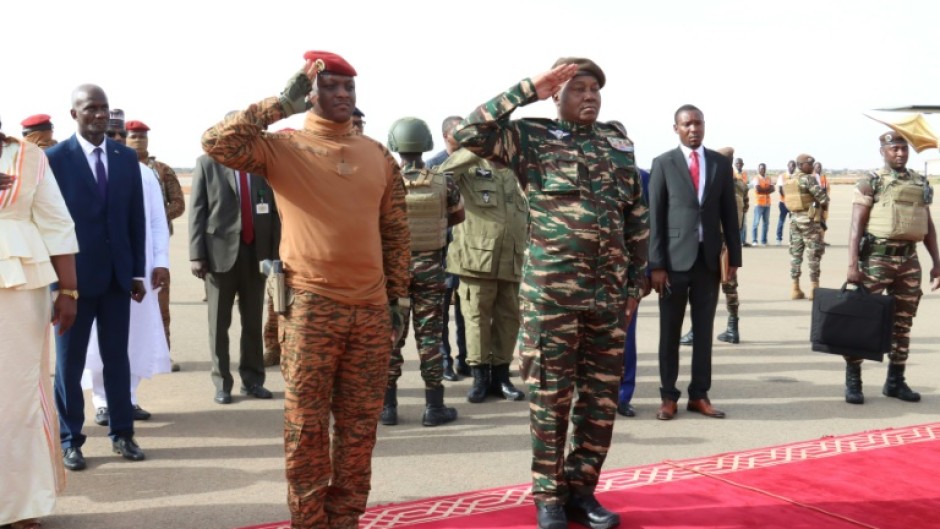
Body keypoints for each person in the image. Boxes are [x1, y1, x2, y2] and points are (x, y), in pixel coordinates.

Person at [201, 50, 411, 529]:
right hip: (311, 308)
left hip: (371, 309)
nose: (341, 95)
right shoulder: (283, 148)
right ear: (310, 93)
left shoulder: (378, 154)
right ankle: (309, 522)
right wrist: (278, 103)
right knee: (306, 427)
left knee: (359, 430)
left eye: (348, 88)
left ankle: (345, 519)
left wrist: (398, 298)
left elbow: (395, 231)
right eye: (330, 87)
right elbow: (216, 142)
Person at [456, 57, 648, 529]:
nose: (589, 97)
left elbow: (636, 216)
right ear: (556, 97)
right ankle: (548, 496)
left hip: (606, 296)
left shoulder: (616, 141)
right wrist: (527, 88)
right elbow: (467, 133)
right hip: (552, 296)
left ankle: (583, 489)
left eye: (595, 90)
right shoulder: (530, 137)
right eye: (577, 89)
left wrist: (634, 284)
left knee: (600, 401)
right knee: (551, 397)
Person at [46, 84, 149, 471]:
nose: (100, 115)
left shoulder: (125, 158)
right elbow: (49, 224)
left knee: (116, 360)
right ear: (74, 114)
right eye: (91, 108)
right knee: (69, 366)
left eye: (104, 108)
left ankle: (122, 434)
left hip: (116, 280)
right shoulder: (54, 159)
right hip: (72, 283)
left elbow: (134, 219)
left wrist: (136, 271)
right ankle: (71, 440)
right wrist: (58, 285)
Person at [1, 126, 77, 529]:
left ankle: (19, 504)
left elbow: (56, 224)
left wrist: (69, 289)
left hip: (21, 288)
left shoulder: (31, 157)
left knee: (18, 395)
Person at [649, 104, 741, 422]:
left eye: (698, 123)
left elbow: (730, 214)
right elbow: (655, 218)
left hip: (708, 262)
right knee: (669, 332)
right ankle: (667, 397)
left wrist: (734, 261)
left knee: (704, 332)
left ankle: (699, 395)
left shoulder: (718, 163)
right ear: (676, 128)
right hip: (673, 264)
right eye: (687, 124)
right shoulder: (663, 164)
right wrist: (656, 265)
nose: (693, 129)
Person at [82, 115, 171, 425]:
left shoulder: (145, 174)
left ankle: (129, 398)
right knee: (98, 338)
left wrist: (160, 262)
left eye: (120, 134)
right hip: (97, 270)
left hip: (138, 271)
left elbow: (159, 222)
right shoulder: (88, 169)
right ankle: (102, 401)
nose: (116, 138)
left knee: (136, 335)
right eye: (111, 133)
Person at [844, 132, 939, 405]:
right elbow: (856, 226)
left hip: (909, 261)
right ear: (883, 151)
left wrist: (937, 262)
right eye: (894, 149)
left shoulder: (919, 182)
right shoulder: (869, 182)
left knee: (903, 323)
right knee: (863, 321)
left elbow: (927, 224)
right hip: (875, 260)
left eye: (903, 149)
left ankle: (895, 381)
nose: (900, 153)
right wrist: (853, 264)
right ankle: (854, 381)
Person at [381, 116, 464, 427]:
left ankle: (387, 408)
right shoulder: (445, 181)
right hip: (431, 270)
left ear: (395, 146)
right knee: (430, 339)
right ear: (426, 143)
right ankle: (434, 408)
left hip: (395, 272)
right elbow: (458, 217)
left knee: (392, 337)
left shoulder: (385, 183)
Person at [188, 147, 279, 405]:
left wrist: (273, 253)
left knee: (252, 322)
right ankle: (222, 383)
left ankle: (252, 381)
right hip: (219, 256)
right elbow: (197, 210)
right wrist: (196, 255)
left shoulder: (261, 165)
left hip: (256, 254)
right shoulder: (207, 164)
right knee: (219, 325)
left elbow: (272, 212)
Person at [438, 147, 527, 403]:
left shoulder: (516, 166)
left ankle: (501, 376)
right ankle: (480, 377)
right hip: (476, 259)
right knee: (476, 318)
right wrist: (474, 148)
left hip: (512, 257)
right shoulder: (469, 166)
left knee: (509, 319)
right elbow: (442, 175)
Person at [125, 119, 186, 371]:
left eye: (142, 136)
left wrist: (154, 217)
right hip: (126, 247)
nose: (138, 140)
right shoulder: (118, 167)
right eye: (133, 136)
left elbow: (178, 204)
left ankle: (162, 355)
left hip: (156, 248)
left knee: (161, 303)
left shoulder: (161, 170)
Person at [677, 146, 745, 346]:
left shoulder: (714, 182)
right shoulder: (740, 184)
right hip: (729, 242)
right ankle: (733, 328)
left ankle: (696, 330)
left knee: (701, 289)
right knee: (730, 287)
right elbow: (744, 209)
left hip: (712, 241)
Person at [428, 115, 468, 381]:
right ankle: (444, 361)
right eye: (458, 133)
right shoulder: (433, 166)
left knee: (466, 310)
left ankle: (466, 360)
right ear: (446, 136)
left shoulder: (475, 163)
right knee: (441, 311)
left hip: (469, 249)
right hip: (442, 249)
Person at [618, 168, 654, 418]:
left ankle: (623, 396)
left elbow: (649, 225)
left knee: (626, 336)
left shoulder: (642, 177)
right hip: (587, 273)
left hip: (628, 271)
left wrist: (648, 271)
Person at [784, 154, 828, 300]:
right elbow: (823, 198)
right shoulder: (808, 179)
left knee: (796, 255)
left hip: (794, 220)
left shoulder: (790, 180)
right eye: (810, 164)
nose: (812, 166)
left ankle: (795, 288)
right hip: (808, 221)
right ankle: (814, 289)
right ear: (802, 165)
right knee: (813, 254)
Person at [751, 163, 774, 245]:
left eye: (763, 168)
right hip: (759, 204)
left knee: (766, 223)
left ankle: (764, 240)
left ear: (765, 169)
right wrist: (767, 190)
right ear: (758, 169)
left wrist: (764, 190)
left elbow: (773, 189)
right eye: (761, 168)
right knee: (756, 223)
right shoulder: (756, 178)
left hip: (767, 204)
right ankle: (754, 240)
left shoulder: (768, 178)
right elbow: (758, 189)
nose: (762, 170)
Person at [775, 160, 796, 245]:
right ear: (787, 166)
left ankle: (791, 240)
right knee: (781, 221)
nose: (792, 167)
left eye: (794, 166)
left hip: (793, 203)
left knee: (793, 222)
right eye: (791, 166)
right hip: (783, 202)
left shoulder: (796, 177)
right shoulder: (782, 176)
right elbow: (780, 189)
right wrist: (787, 198)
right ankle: (778, 239)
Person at [813, 160, 831, 245]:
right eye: (817, 167)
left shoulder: (823, 177)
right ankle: (815, 240)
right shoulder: (811, 177)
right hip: (815, 204)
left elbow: (827, 188)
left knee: (823, 221)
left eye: (820, 167)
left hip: (824, 202)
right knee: (816, 222)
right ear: (814, 168)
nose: (819, 168)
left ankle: (821, 240)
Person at [734, 157, 750, 246]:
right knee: (737, 223)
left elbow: (747, 186)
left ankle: (743, 241)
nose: (739, 165)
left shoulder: (744, 174)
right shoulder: (733, 173)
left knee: (744, 223)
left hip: (743, 199)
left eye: (740, 163)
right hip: (736, 201)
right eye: (737, 163)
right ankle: (738, 241)